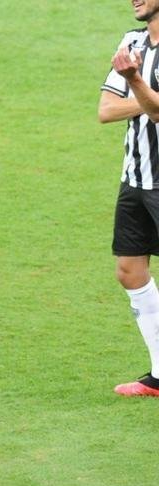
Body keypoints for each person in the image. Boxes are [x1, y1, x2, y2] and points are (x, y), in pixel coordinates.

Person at [100, 1, 159, 397]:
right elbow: (105, 110)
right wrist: (147, 95)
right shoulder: (132, 41)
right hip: (135, 179)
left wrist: (135, 82)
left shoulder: (134, 62)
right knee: (129, 270)